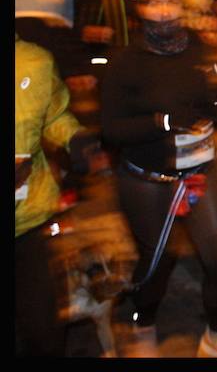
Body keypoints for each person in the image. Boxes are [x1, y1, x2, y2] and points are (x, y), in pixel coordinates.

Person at [101, 0, 217, 357]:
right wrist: (163, 122)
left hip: (199, 172)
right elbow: (110, 130)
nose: (164, 11)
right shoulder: (124, 62)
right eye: (154, 3)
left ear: (181, 7)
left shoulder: (199, 48)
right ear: (140, 10)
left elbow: (216, 93)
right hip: (148, 179)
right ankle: (143, 326)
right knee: (158, 261)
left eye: (171, 2)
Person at [16, 35, 100, 356]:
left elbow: (54, 115)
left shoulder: (34, 60)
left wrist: (75, 138)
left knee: (44, 330)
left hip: (28, 220)